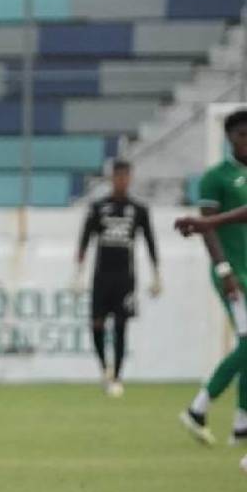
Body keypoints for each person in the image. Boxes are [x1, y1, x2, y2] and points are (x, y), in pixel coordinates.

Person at [174, 109, 247, 451]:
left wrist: (207, 223)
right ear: (230, 138)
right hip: (234, 273)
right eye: (243, 134)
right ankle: (199, 407)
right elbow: (210, 228)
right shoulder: (216, 177)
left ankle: (242, 422)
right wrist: (223, 269)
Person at [74, 158, 160, 397]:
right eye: (118, 176)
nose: (122, 181)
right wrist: (77, 273)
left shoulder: (139, 210)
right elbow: (85, 238)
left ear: (130, 178)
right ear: (112, 178)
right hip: (101, 276)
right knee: (97, 324)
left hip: (125, 277)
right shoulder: (98, 207)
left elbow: (150, 242)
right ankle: (105, 368)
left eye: (125, 176)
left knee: (121, 326)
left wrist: (157, 275)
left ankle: (118, 376)